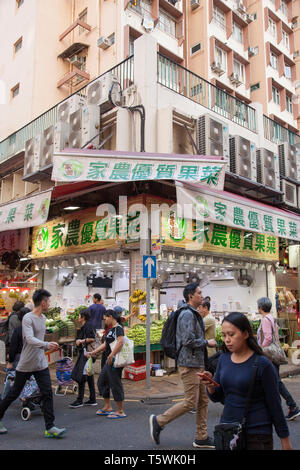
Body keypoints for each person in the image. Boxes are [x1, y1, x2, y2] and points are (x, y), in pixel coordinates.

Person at [199, 312, 292, 450]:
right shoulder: (224, 359)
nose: (227, 340)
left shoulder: (263, 364)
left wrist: (285, 440)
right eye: (224, 335)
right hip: (228, 431)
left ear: (246, 334)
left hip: (257, 434)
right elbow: (217, 396)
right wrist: (211, 386)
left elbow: (275, 404)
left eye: (231, 334)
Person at [149, 283, 217, 449]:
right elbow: (187, 340)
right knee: (190, 402)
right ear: (190, 296)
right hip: (189, 364)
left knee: (203, 401)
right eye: (199, 293)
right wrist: (207, 342)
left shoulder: (194, 314)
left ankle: (201, 437)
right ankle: (158, 421)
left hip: (197, 363)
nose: (202, 295)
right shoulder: (187, 314)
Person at [0, 289, 66, 438]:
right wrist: (46, 345)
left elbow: (39, 340)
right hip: (26, 363)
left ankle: (50, 427)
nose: (49, 304)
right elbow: (29, 339)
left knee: (47, 393)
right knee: (14, 393)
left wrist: (46, 345)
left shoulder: (43, 318)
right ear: (43, 302)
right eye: (48, 301)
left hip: (40, 363)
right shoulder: (28, 318)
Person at [257, 297, 300, 421]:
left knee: (275, 381)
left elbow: (268, 338)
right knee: (274, 381)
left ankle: (291, 406)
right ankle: (289, 406)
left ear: (260, 307)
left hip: (269, 355)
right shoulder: (271, 317)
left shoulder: (265, 319)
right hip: (273, 354)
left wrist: (260, 349)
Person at [87, 309, 126, 419]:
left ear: (111, 317)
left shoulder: (118, 329)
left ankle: (120, 410)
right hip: (108, 361)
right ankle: (107, 407)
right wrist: (92, 353)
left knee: (115, 384)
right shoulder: (111, 330)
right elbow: (105, 344)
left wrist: (112, 354)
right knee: (101, 381)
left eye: (106, 318)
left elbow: (121, 342)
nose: (105, 320)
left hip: (114, 361)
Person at [69, 309, 97, 408]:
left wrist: (81, 341)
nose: (78, 317)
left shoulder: (87, 326)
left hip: (86, 354)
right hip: (87, 354)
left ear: (83, 317)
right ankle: (92, 399)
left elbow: (92, 338)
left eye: (79, 315)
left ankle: (79, 400)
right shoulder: (87, 325)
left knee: (81, 375)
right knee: (88, 375)